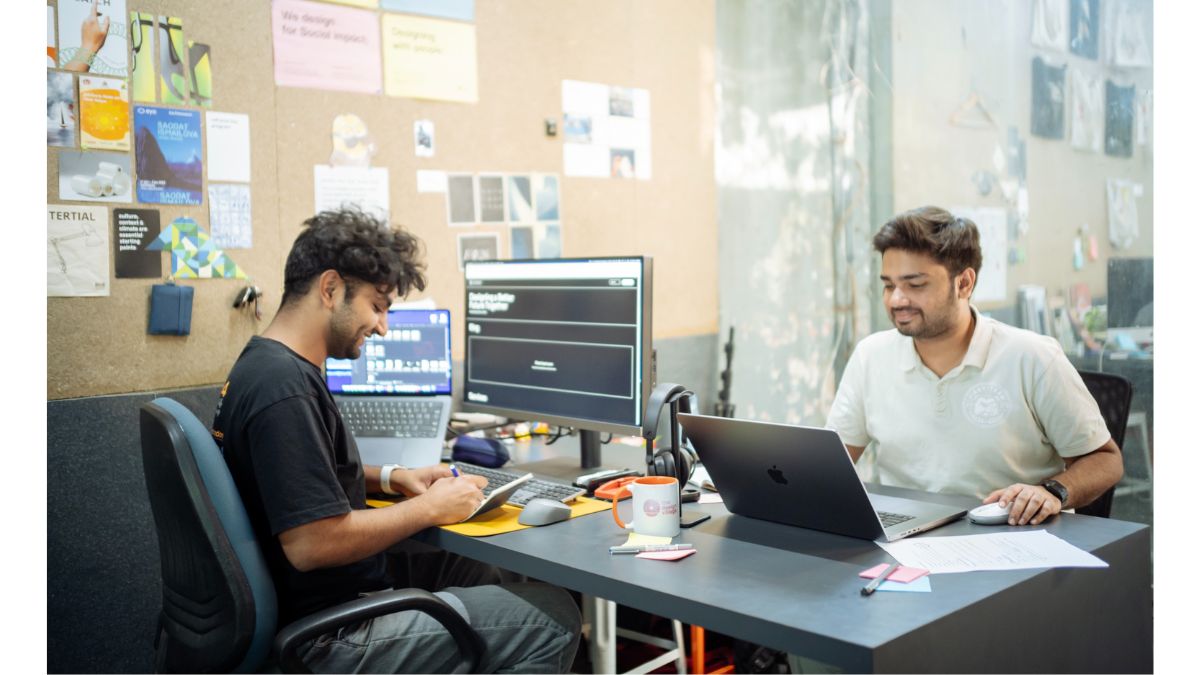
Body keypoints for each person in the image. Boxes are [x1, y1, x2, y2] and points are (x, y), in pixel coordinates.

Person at [211, 208, 580, 673]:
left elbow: (293, 478)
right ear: (330, 289)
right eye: (377, 306)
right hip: (333, 636)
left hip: (333, 597)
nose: (383, 326)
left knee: (477, 571)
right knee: (555, 616)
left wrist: (393, 477)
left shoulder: (266, 366)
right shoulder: (284, 391)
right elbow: (311, 544)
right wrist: (428, 509)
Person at [828, 206, 1123, 526]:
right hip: (904, 535)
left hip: (1012, 534)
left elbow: (1105, 460)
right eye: (889, 285)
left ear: (964, 283)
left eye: (915, 284)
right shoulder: (870, 356)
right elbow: (830, 463)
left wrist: (1052, 491)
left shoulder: (1032, 357)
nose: (897, 300)